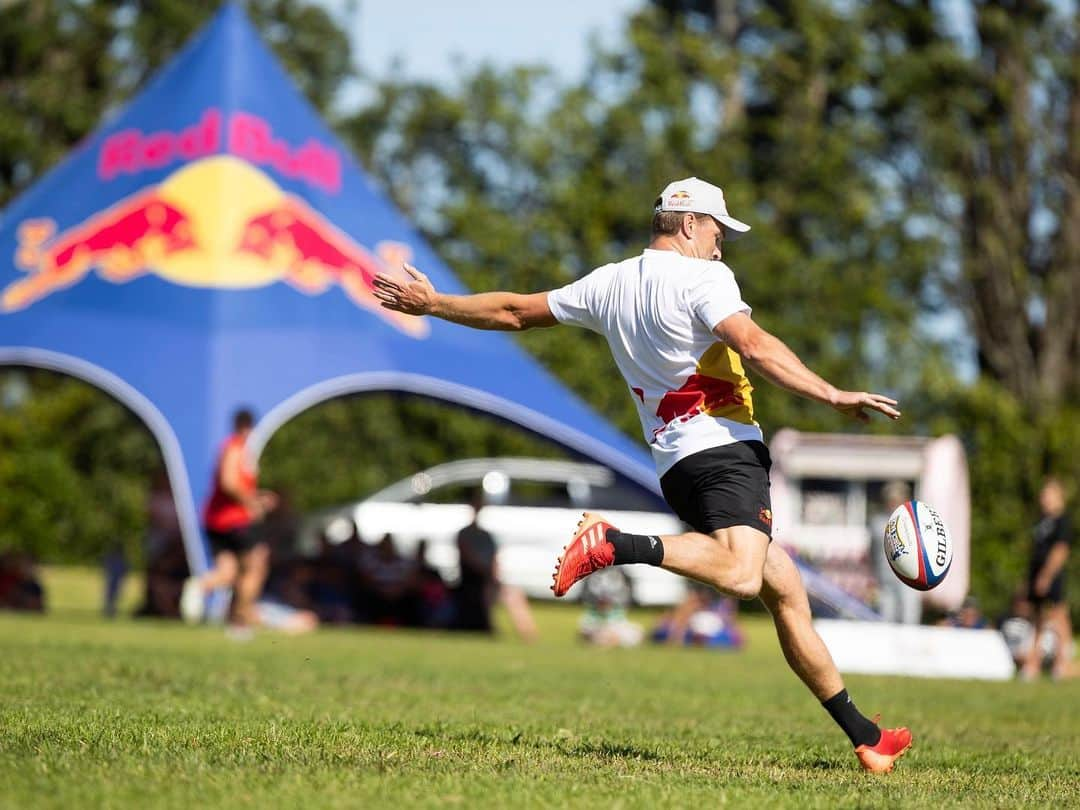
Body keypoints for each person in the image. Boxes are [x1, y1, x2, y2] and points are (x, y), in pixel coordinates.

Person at [373, 176, 910, 772]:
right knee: (739, 573)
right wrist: (830, 394)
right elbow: (753, 345)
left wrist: (435, 304)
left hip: (676, 465)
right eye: (716, 230)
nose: (720, 245)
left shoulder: (610, 281)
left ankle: (866, 737)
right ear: (688, 224)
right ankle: (614, 543)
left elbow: (515, 311)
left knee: (783, 590)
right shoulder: (704, 279)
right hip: (725, 451)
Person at [181, 408, 278, 638]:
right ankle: (240, 621)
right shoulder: (235, 448)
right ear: (249, 427)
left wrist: (257, 496)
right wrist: (252, 503)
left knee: (229, 572)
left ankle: (202, 586)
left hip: (217, 520)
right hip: (233, 520)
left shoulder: (234, 449)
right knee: (256, 565)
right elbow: (229, 482)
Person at [1020, 477, 1073, 681]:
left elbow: (1060, 550)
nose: (1044, 498)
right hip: (1037, 575)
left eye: (1049, 494)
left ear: (1059, 497)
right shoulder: (1042, 521)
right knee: (1039, 619)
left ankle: (1062, 663)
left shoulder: (1062, 521)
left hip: (1051, 576)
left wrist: (1046, 575)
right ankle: (1034, 663)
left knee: (1059, 617)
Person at [869, 481, 922, 624]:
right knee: (886, 615)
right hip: (885, 578)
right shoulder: (878, 523)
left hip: (909, 576)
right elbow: (873, 552)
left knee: (909, 615)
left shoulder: (913, 522)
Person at [454, 488, 499, 633]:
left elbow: (493, 559)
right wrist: (485, 572)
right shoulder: (465, 533)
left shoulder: (486, 536)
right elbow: (466, 556)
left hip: (483, 577)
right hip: (471, 578)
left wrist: (492, 576)